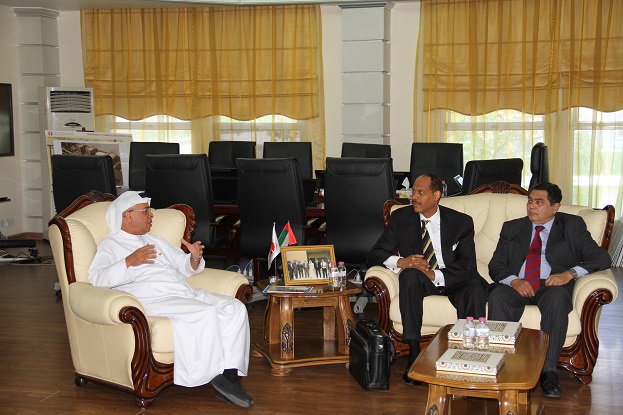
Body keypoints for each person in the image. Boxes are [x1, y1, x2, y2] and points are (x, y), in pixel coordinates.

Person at [88, 191, 253, 408]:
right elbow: (96, 278)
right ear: (127, 215)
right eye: (145, 211)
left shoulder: (155, 240)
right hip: (154, 299)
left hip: (182, 293)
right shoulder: (110, 245)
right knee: (204, 312)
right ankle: (210, 374)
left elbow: (184, 266)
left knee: (235, 307)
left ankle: (229, 376)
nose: (151, 215)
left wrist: (194, 258)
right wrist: (128, 262)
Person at [487, 181, 610, 399]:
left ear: (555, 207)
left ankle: (549, 371)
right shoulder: (512, 227)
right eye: (530, 201)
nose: (531, 206)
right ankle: (502, 365)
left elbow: (601, 257)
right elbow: (496, 265)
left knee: (556, 299)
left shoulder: (572, 225)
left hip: (552, 285)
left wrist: (569, 274)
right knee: (498, 296)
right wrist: (514, 281)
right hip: (519, 284)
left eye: (539, 202)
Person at [367, 173, 488, 386]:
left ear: (436, 195)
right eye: (413, 191)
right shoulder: (401, 218)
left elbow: (468, 265)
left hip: (452, 279)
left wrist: (435, 274)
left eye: (420, 192)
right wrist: (402, 261)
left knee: (474, 288)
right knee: (409, 275)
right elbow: (374, 254)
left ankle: (469, 355)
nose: (414, 197)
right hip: (420, 281)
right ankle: (414, 353)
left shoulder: (460, 222)